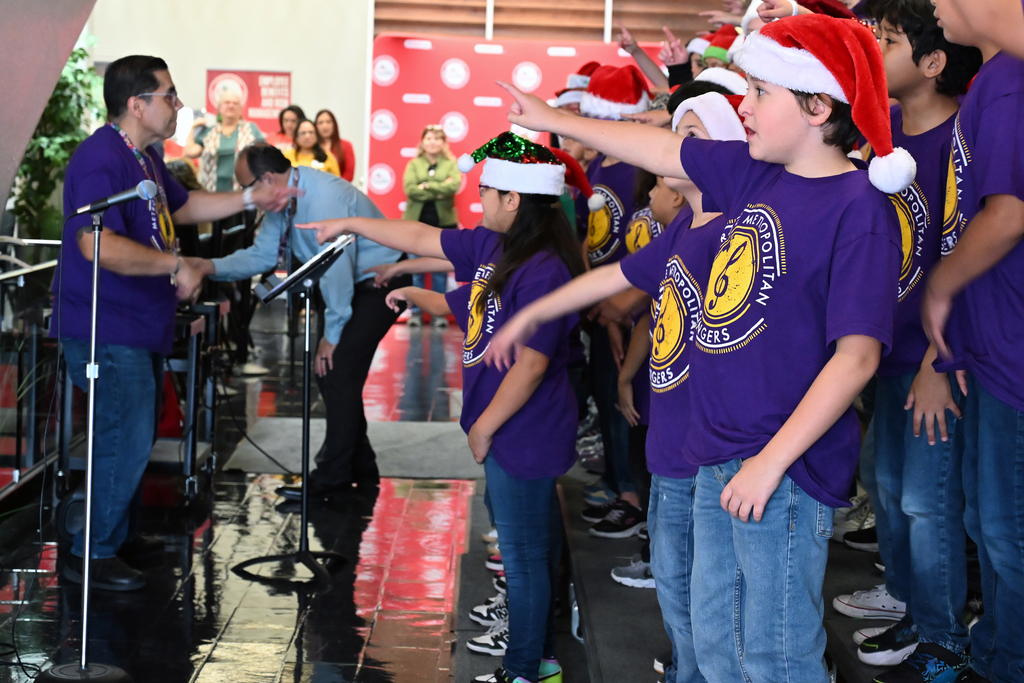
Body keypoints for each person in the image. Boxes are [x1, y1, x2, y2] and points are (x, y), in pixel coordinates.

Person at [491, 13, 909, 680]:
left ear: (818, 107)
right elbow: (662, 151)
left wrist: (769, 463)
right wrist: (552, 119)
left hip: (781, 469)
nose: (745, 107)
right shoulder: (755, 175)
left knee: (774, 654)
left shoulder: (858, 208)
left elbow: (856, 358)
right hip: (716, 453)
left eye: (762, 92)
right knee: (713, 638)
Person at [300, 131, 585, 683]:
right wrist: (350, 225)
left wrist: (484, 428)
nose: (478, 201)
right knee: (527, 551)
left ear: (513, 200)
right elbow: (419, 235)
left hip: (524, 430)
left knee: (524, 559)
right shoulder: (495, 247)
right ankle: (541, 660)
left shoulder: (544, 268)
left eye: (486, 193)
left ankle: (523, 670)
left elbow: (532, 364)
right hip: (507, 427)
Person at [485, 82, 743, 683]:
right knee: (676, 585)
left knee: (713, 596)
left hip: (714, 447)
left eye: (691, 137)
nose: (674, 149)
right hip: (672, 447)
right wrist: (532, 314)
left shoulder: (738, 224)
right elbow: (617, 280)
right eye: (675, 135)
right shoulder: (682, 230)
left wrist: (554, 118)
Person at [52, 55, 294, 591]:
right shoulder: (100, 157)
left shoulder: (144, 157)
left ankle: (117, 537)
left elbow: (182, 208)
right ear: (137, 104)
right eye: (169, 94)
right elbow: (95, 244)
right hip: (107, 325)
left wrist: (251, 197)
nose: (179, 104)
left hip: (137, 323)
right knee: (124, 435)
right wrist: (174, 264)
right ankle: (93, 552)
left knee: (135, 434)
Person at [826, 3, 982, 680]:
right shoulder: (877, 135)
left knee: (927, 499)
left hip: (933, 359)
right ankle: (917, 613)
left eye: (886, 42)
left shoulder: (962, 136)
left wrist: (939, 361)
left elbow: (971, 265)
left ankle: (944, 639)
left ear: (933, 62)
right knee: (888, 488)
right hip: (884, 354)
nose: (874, 53)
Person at [189, 143, 405, 501]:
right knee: (332, 374)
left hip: (382, 281)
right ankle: (360, 464)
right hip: (349, 285)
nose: (246, 197)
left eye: (247, 188)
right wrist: (207, 266)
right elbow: (261, 256)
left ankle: (333, 478)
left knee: (337, 369)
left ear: (267, 179)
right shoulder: (282, 200)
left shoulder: (323, 199)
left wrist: (332, 336)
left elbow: (337, 271)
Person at [921, 3, 1024, 680]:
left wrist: (941, 284)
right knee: (991, 525)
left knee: (1007, 531)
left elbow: (1008, 214)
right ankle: (994, 655)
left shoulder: (1011, 79)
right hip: (993, 346)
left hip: (1013, 350)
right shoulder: (996, 78)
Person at [401, 124, 462, 327]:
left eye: (437, 138)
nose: (433, 142)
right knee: (415, 271)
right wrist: (439, 189)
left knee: (440, 272)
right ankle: (415, 313)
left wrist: (426, 185)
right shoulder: (414, 164)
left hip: (443, 227)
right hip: (415, 227)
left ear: (443, 142)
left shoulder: (451, 164)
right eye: (429, 138)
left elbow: (453, 186)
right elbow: (410, 189)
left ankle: (438, 314)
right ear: (422, 142)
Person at [183, 85, 265, 192]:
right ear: (219, 108)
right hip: (211, 191)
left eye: (235, 103)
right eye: (227, 102)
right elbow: (190, 152)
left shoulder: (251, 129)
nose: (231, 106)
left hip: (242, 191)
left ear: (241, 109)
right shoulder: (209, 132)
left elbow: (264, 155)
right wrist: (192, 127)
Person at [315, 109, 356, 182]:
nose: (325, 126)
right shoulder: (312, 147)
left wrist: (335, 186)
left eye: (328, 122)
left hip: (340, 187)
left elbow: (349, 175)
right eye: (320, 123)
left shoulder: (346, 145)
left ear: (334, 124)